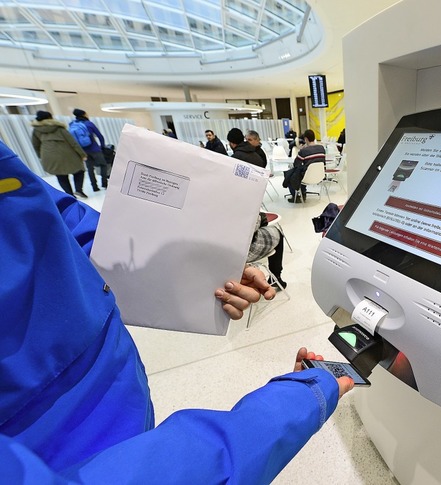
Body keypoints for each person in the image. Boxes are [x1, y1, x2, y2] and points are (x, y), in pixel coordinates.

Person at [0, 141, 354, 483]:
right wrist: (301, 400)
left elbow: (59, 223)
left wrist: (199, 272)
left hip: (120, 397)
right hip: (64, 441)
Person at [31, 110, 88, 199]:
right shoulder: (59, 128)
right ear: (50, 117)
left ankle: (70, 194)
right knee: (79, 171)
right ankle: (78, 190)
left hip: (48, 155)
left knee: (60, 175)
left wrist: (41, 156)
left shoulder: (36, 130)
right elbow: (72, 142)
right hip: (67, 154)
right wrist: (82, 154)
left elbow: (36, 145)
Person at [247, 212, 287, 290]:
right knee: (277, 233)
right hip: (244, 249)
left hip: (222, 250)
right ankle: (276, 275)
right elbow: (253, 225)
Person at [72, 108, 108, 192]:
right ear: (84, 114)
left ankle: (94, 187)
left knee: (90, 169)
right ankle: (104, 183)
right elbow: (100, 136)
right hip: (95, 149)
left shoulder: (73, 125)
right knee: (103, 165)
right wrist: (102, 146)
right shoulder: (89, 124)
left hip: (84, 151)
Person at [287, 129, 326, 203]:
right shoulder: (322, 148)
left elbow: (296, 164)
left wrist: (301, 150)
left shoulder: (304, 151)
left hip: (307, 177)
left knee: (291, 174)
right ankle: (303, 193)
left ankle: (297, 196)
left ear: (306, 139)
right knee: (302, 171)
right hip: (320, 175)